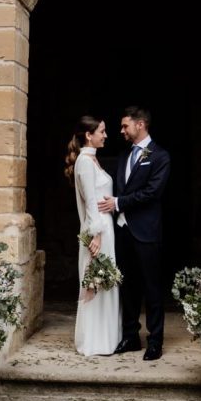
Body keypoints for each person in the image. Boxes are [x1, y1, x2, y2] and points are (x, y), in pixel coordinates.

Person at [97, 106, 170, 361]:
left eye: (125, 126)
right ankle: (130, 337)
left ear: (140, 125)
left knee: (152, 288)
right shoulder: (124, 154)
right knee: (127, 286)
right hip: (123, 230)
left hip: (147, 231)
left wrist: (118, 203)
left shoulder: (159, 156)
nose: (122, 131)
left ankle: (155, 341)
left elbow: (152, 193)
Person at [65, 115, 121, 356]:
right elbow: (90, 202)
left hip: (106, 230)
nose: (105, 135)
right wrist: (95, 236)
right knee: (95, 283)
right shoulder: (85, 163)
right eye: (102, 131)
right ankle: (94, 341)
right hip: (97, 232)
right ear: (89, 135)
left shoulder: (92, 160)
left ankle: (108, 338)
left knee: (106, 283)